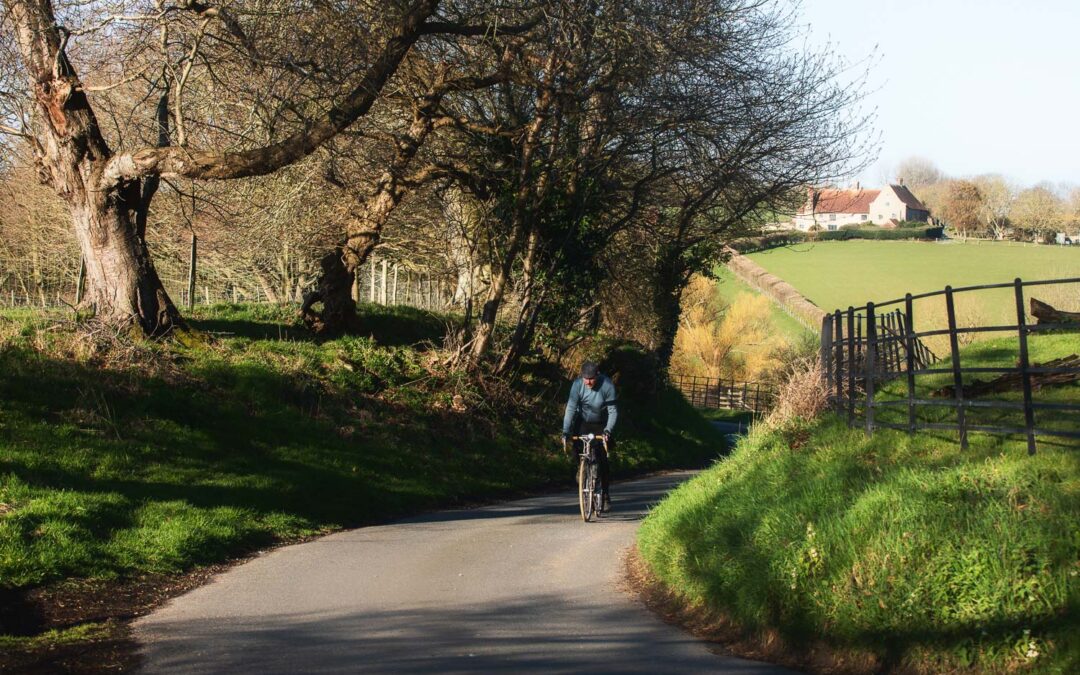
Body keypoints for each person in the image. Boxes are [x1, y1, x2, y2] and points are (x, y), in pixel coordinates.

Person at [562, 361, 618, 509]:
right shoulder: (577, 385)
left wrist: (608, 430)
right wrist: (565, 431)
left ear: (597, 375)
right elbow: (570, 409)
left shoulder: (607, 385)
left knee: (603, 459)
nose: (588, 382)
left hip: (601, 422)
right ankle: (581, 468)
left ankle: (605, 494)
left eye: (591, 379)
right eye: (585, 378)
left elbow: (613, 412)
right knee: (577, 445)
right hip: (583, 421)